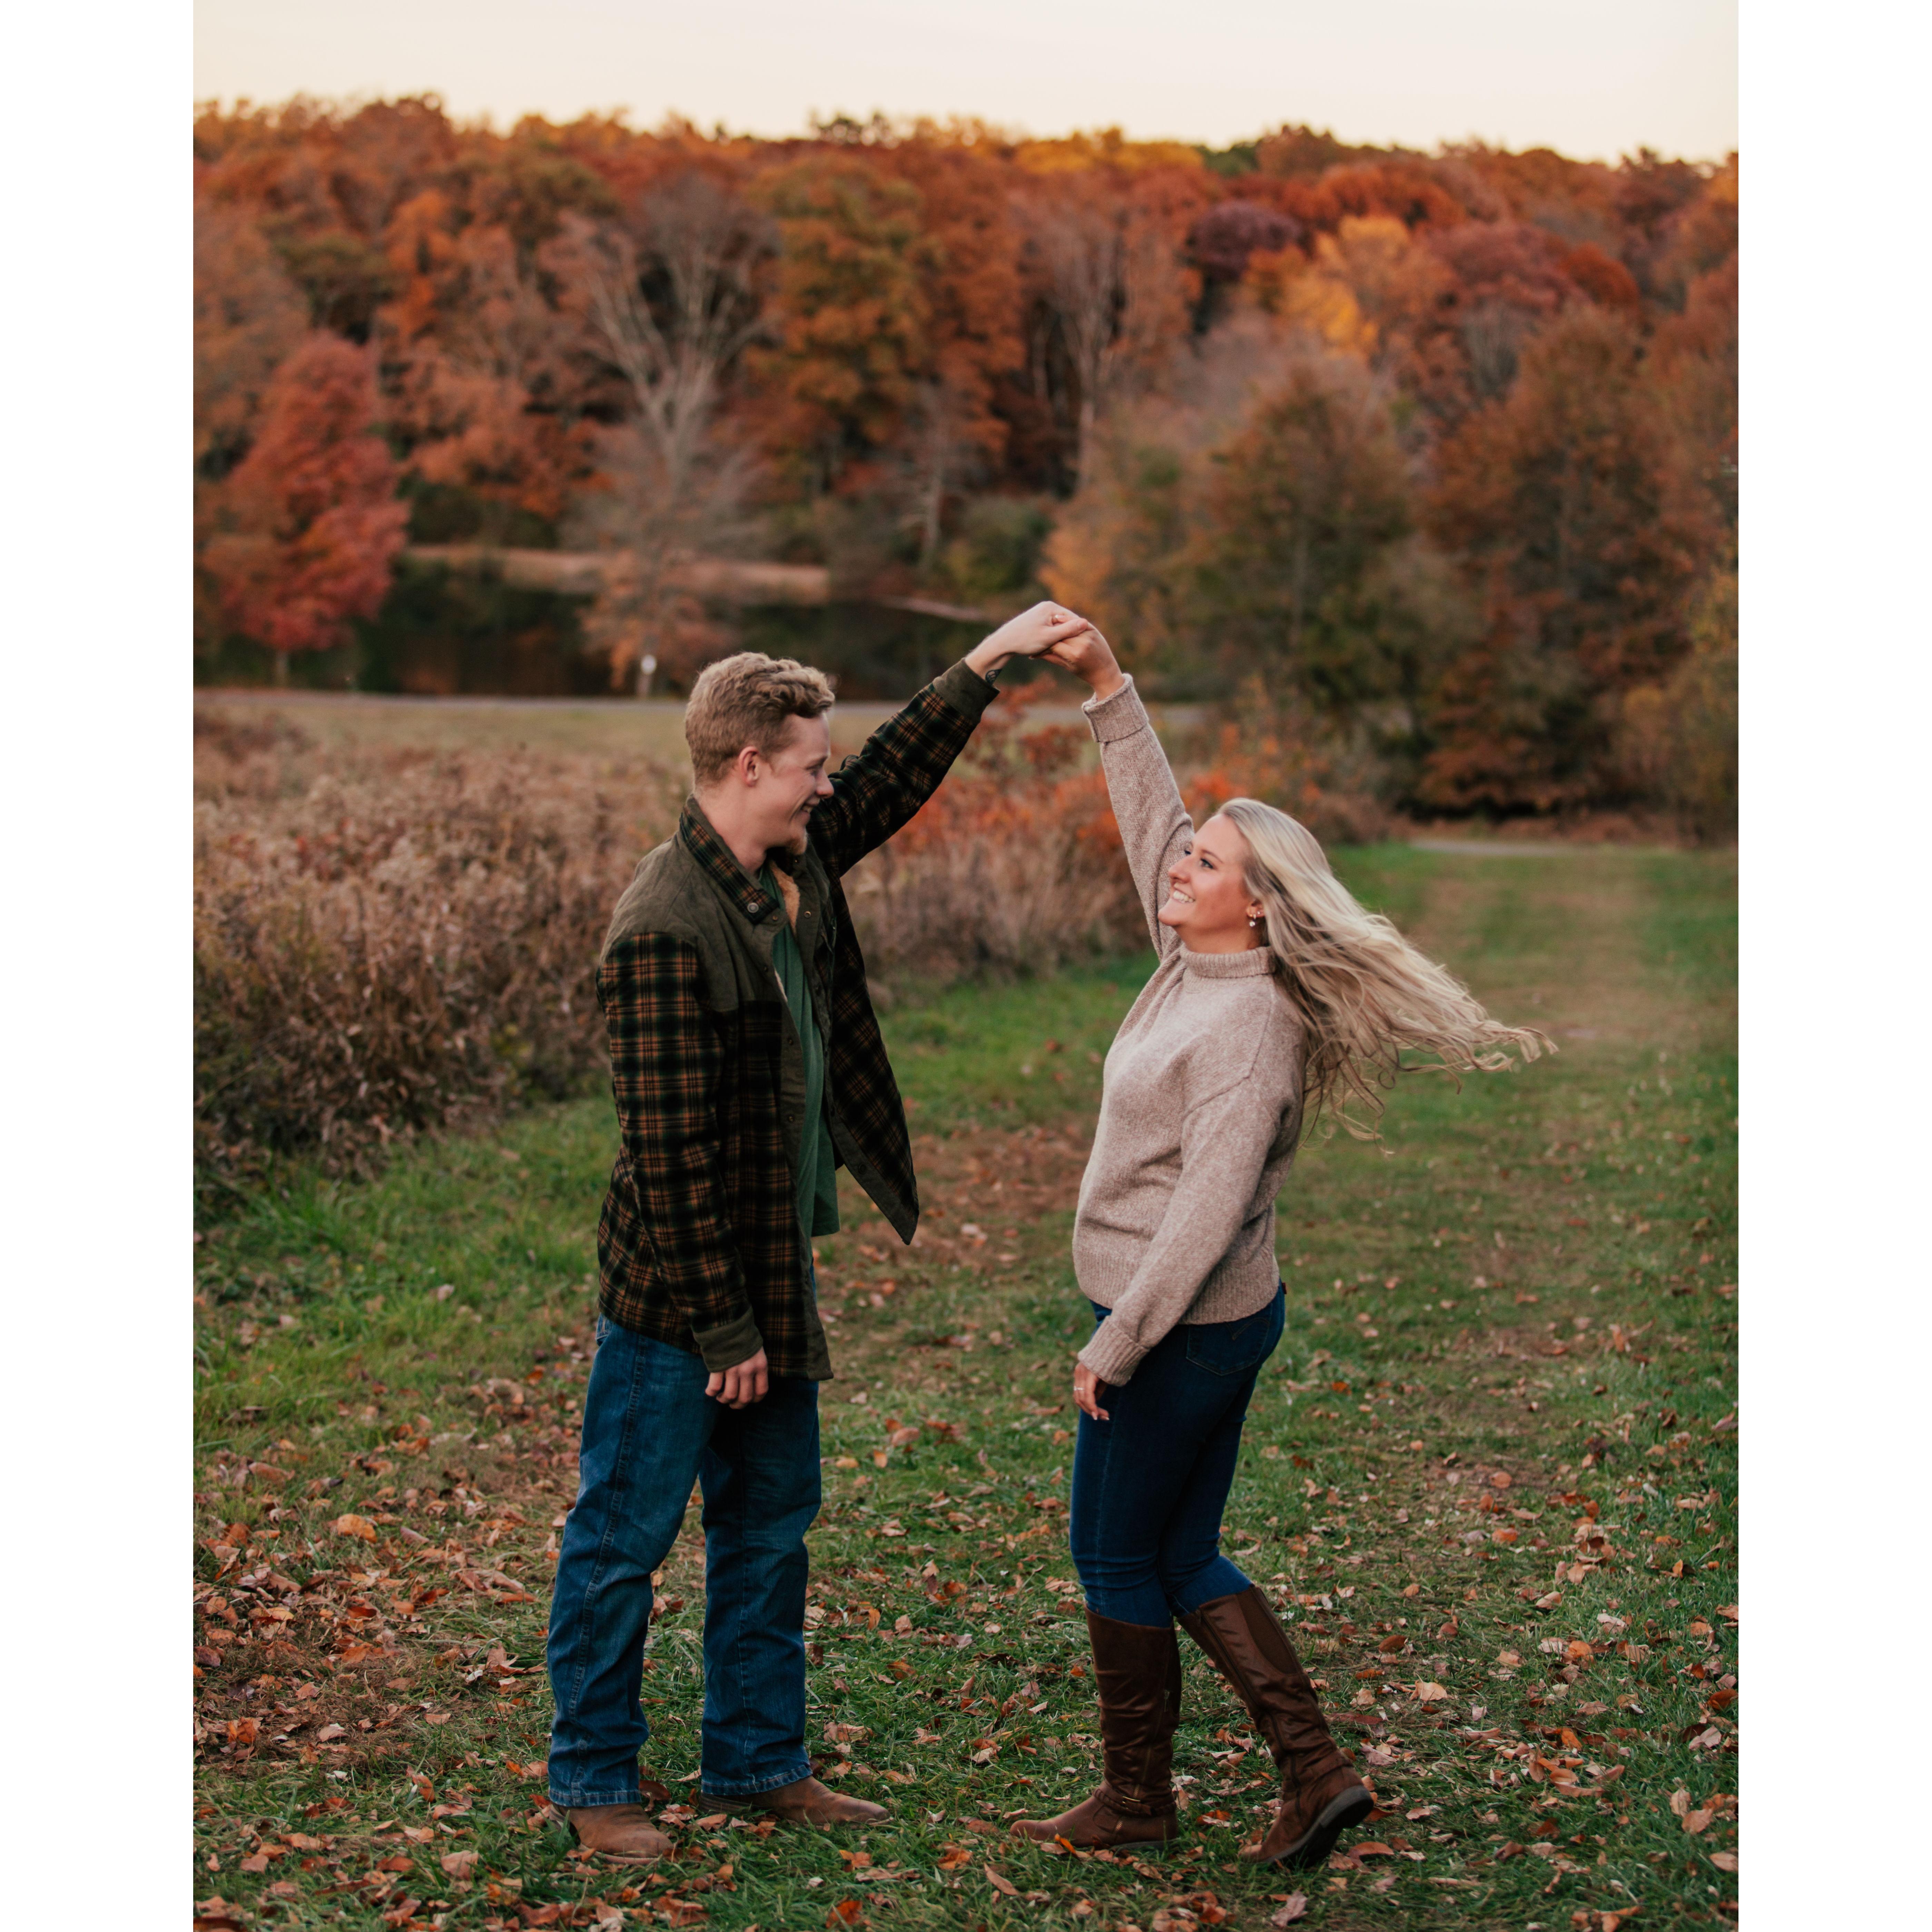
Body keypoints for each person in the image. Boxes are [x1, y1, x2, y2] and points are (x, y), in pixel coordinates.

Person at [547, 605, 1094, 1861]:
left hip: (769, 1271)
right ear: (751, 766)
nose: (828, 784)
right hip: (677, 1301)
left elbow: (891, 777)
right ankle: (593, 1782)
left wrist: (985, 663)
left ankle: (755, 1763)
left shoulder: (790, 862)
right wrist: (724, 1329)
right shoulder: (662, 926)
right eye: (811, 765)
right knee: (622, 1542)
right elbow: (667, 1160)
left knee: (770, 1525)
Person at [1014, 623, 1545, 1868]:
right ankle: (1316, 1773)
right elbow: (1152, 822)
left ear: (1255, 902)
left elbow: (1205, 1211)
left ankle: (1140, 1802)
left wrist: (1119, 1339)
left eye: (1206, 864)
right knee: (1182, 1549)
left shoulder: (1247, 1027)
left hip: (1182, 1326)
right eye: (1190, 855)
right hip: (1207, 1319)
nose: (1179, 866)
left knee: (1114, 1553)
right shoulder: (1193, 960)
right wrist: (1108, 688)